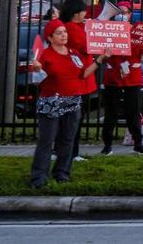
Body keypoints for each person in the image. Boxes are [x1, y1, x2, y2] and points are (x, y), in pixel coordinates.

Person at [28, 19, 106, 187]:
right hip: (52, 101)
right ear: (49, 37)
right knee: (47, 140)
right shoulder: (45, 55)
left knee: (67, 139)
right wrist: (37, 69)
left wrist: (99, 60)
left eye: (65, 32)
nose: (64, 35)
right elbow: (37, 81)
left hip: (72, 101)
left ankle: (62, 173)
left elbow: (83, 74)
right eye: (59, 33)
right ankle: (38, 177)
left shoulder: (73, 53)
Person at [100, 1, 143, 155]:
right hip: (113, 76)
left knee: (133, 112)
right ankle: (107, 144)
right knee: (111, 113)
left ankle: (138, 143)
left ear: (130, 14)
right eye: (118, 12)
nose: (122, 15)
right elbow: (98, 52)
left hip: (132, 77)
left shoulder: (137, 32)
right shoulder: (107, 31)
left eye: (124, 12)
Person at [60, 0, 97, 162]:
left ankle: (69, 151)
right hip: (79, 77)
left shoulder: (77, 27)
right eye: (83, 11)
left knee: (75, 117)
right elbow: (87, 45)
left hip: (83, 76)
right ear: (76, 13)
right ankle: (71, 152)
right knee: (73, 118)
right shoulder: (71, 28)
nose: (85, 13)